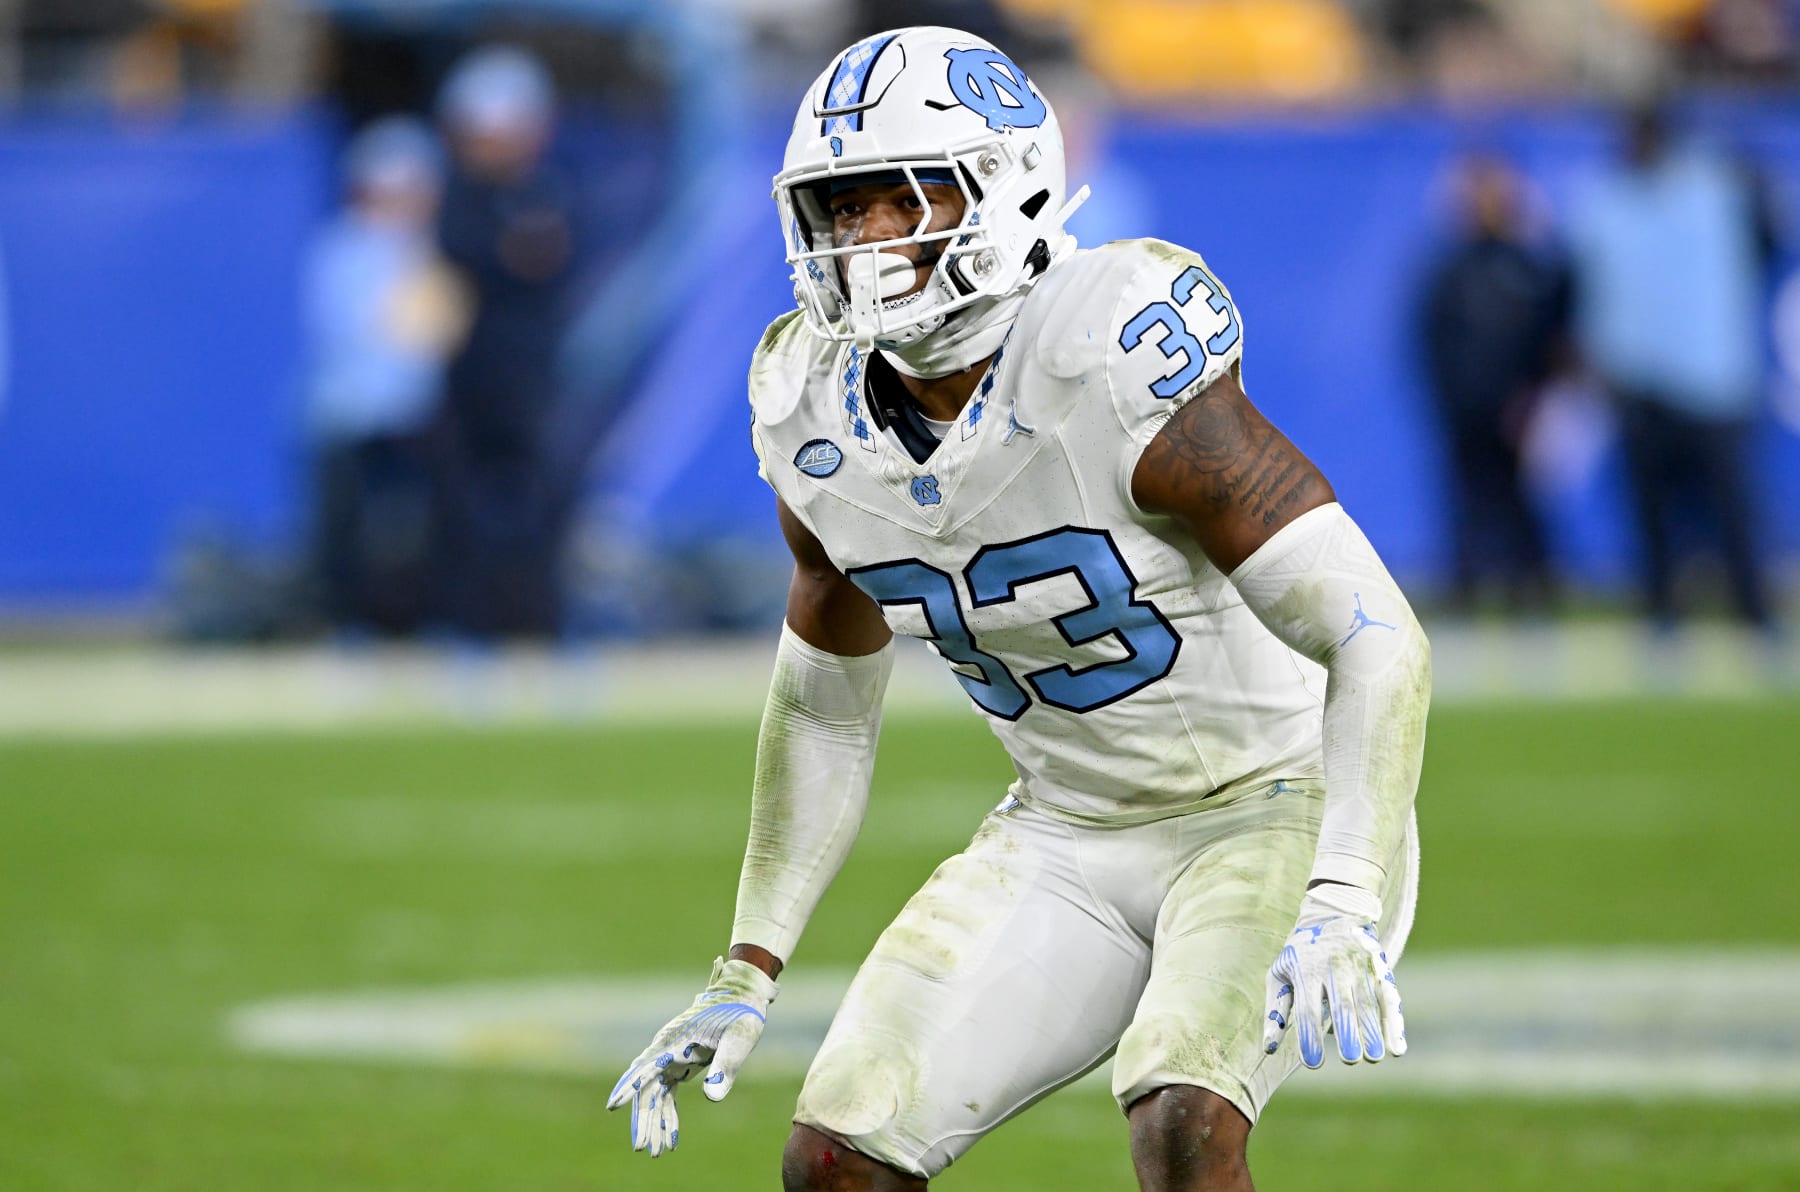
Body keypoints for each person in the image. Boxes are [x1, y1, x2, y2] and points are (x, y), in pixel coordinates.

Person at [609, 27, 1430, 1191]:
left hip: (1273, 802)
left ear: (1007, 188)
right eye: (838, 209)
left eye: (896, 202)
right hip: (1065, 829)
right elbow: (823, 707)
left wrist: (1345, 891)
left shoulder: (1112, 357)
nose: (861, 241)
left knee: (1185, 1117)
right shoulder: (813, 411)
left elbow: (1374, 632)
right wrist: (749, 961)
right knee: (836, 1157)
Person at [1569, 99, 1779, 635]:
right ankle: (1664, 615)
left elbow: (1765, 246)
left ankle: (1755, 614)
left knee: (1734, 511)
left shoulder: (1717, 191)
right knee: (1653, 515)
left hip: (1714, 379)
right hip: (1638, 380)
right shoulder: (1604, 202)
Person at [431, 45, 579, 640]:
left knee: (540, 502)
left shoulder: (550, 191)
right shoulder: (457, 200)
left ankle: (540, 624)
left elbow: (538, 260)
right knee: (459, 503)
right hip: (465, 375)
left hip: (530, 377)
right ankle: (469, 627)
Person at [302, 115, 464, 635]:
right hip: (353, 414)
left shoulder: (438, 249)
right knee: (348, 531)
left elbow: (441, 334)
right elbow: (369, 332)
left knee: (429, 529)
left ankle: (428, 620)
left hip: (421, 416)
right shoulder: (342, 251)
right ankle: (349, 625)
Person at [1417, 153, 1567, 614]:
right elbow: (1430, 339)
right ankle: (1465, 591)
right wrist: (1449, 400)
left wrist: (1533, 395)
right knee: (1465, 501)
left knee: (1521, 500)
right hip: (1465, 410)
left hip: (1517, 410)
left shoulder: (1528, 266)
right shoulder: (1451, 270)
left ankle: (1534, 592)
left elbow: (1550, 337)